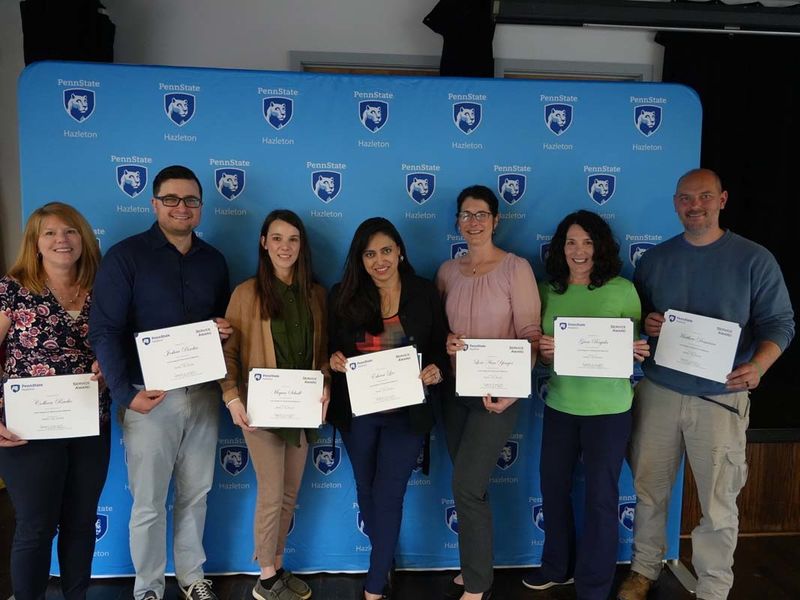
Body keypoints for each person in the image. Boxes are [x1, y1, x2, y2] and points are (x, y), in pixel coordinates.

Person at [617, 169, 794, 600]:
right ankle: (644, 568)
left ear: (722, 200)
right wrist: (650, 322)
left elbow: (780, 323)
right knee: (649, 489)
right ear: (675, 203)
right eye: (685, 198)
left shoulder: (754, 259)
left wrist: (761, 365)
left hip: (721, 396)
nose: (695, 205)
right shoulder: (656, 260)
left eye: (704, 197)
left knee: (718, 502)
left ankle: (714, 587)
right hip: (659, 391)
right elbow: (641, 321)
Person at [89, 165, 231, 600]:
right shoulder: (126, 256)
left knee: (197, 493)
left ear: (201, 208)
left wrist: (223, 330)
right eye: (171, 199)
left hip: (204, 394)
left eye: (190, 200)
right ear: (154, 204)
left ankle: (191, 578)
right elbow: (105, 330)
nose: (181, 207)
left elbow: (223, 325)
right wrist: (126, 394)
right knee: (149, 502)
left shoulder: (214, 261)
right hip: (149, 398)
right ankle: (148, 587)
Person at [519, 210, 649, 599]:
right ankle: (557, 567)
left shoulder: (623, 290)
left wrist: (636, 351)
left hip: (609, 411)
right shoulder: (547, 291)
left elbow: (632, 347)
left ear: (600, 247)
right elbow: (540, 354)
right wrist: (542, 352)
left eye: (588, 242)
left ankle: (594, 585)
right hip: (561, 405)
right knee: (553, 489)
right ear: (561, 248)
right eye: (572, 242)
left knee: (601, 498)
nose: (579, 250)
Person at [328, 217, 449, 600]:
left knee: (390, 491)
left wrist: (436, 369)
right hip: (359, 411)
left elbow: (441, 345)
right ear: (359, 259)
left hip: (406, 413)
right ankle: (384, 561)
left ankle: (375, 583)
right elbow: (331, 348)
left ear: (400, 251)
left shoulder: (424, 292)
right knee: (366, 487)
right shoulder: (342, 295)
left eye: (385, 250)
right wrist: (332, 360)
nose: (379, 260)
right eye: (369, 254)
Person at [0, 202, 110, 600]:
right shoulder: (12, 289)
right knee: (36, 525)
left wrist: (109, 364)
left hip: (89, 422)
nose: (62, 240)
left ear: (83, 238)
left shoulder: (105, 287)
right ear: (35, 242)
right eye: (50, 233)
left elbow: (122, 344)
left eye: (70, 231)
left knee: (81, 522)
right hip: (26, 430)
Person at [436, 185, 541, 600]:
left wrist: (515, 389)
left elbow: (531, 335)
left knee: (466, 486)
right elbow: (438, 331)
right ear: (458, 222)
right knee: (468, 486)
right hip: (454, 394)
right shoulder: (447, 272)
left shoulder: (517, 269)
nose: (473, 222)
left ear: (496, 221)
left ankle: (478, 585)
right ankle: (472, 566)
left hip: (498, 397)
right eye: (466, 214)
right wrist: (445, 341)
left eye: (481, 214)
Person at [220, 209, 328, 600]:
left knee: (289, 493)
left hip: (301, 409)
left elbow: (321, 356)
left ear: (302, 246)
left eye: (293, 239)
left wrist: (326, 384)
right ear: (264, 243)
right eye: (277, 238)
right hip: (259, 409)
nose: (285, 246)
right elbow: (228, 352)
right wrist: (232, 397)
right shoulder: (246, 293)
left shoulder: (316, 294)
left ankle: (278, 565)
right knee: (271, 491)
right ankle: (266, 578)